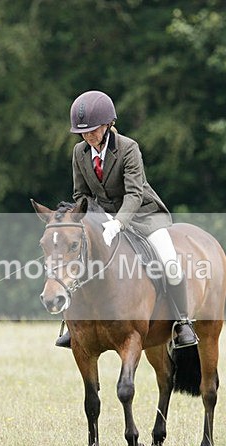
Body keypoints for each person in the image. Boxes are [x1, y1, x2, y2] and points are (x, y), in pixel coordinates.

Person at [55, 90, 197, 349]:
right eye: (83, 132)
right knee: (77, 259)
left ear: (108, 125)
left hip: (143, 215)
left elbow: (134, 193)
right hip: (101, 217)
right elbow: (81, 194)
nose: (88, 136)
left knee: (169, 262)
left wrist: (118, 222)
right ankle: (73, 326)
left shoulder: (128, 148)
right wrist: (94, 219)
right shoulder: (79, 152)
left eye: (94, 130)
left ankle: (183, 323)